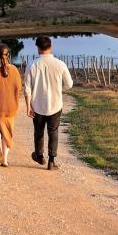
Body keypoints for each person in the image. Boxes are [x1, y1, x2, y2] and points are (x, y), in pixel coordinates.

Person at [23, 36, 73, 171]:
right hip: (56, 104)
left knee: (38, 132)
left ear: (38, 48)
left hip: (37, 105)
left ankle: (39, 156)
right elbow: (69, 84)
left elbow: (27, 88)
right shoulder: (60, 64)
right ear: (50, 47)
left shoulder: (32, 65)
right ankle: (51, 161)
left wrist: (28, 107)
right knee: (53, 132)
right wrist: (58, 88)